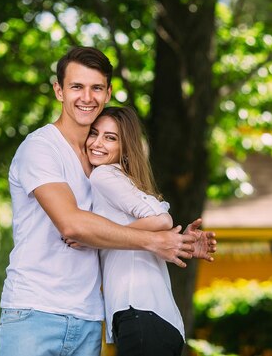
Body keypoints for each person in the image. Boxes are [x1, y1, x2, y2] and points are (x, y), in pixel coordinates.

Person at [0, 46, 216, 356]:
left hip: (88, 319)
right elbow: (72, 224)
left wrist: (174, 239)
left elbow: (121, 227)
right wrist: (152, 240)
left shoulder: (102, 165)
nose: (87, 97)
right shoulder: (41, 148)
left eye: (96, 87)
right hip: (35, 312)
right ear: (59, 90)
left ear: (107, 92)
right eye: (76, 87)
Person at [83, 106, 211, 356]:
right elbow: (153, 231)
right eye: (94, 133)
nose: (97, 143)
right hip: (156, 320)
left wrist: (97, 236)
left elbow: (160, 219)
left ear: (125, 147)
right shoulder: (122, 180)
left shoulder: (104, 175)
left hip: (139, 314)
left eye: (110, 137)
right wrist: (178, 241)